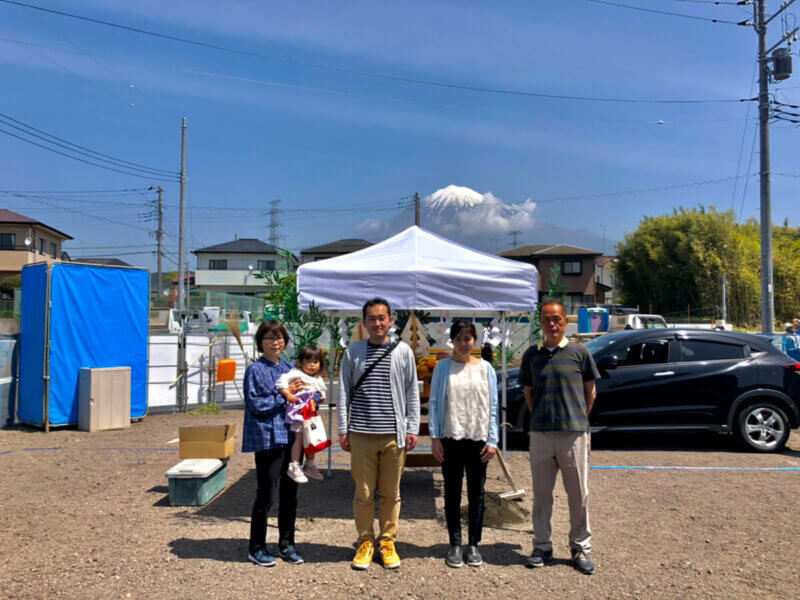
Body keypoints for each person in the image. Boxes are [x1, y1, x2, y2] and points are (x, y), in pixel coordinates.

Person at [338, 297, 420, 570]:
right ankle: (365, 541)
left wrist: (412, 427)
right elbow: (343, 391)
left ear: (391, 321)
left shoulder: (403, 351)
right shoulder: (353, 352)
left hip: (393, 435)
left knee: (391, 492)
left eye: (381, 318)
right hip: (361, 433)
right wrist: (343, 429)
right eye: (371, 319)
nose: (377, 323)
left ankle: (387, 541)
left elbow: (412, 391)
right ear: (363, 323)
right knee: (363, 493)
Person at [521, 298, 600, 575]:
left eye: (556, 319)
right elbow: (529, 393)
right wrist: (541, 417)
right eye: (546, 319)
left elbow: (591, 392)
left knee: (578, 494)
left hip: (573, 434)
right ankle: (542, 546)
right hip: (541, 434)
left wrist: (577, 419)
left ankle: (580, 548)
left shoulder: (580, 352)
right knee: (542, 495)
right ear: (540, 323)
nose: (551, 324)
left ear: (565, 321)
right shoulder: (532, 355)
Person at [429, 320, 499, 569]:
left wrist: (493, 440)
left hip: (478, 438)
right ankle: (455, 543)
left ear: (474, 340)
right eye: (458, 339)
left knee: (477, 494)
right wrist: (435, 438)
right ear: (452, 341)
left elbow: (493, 406)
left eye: (467, 338)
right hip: (451, 437)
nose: (463, 344)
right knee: (452, 492)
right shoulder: (442, 368)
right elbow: (434, 403)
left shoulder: (486, 369)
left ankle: (474, 544)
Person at [242, 320, 305, 567]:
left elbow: (302, 397)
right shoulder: (255, 370)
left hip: (292, 440)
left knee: (290, 495)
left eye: (279, 338)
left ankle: (287, 544)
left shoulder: (290, 368)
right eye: (269, 338)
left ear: (285, 342)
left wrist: (310, 397)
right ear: (260, 342)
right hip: (268, 440)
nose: (275, 342)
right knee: (266, 495)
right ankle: (256, 547)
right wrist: (284, 395)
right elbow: (256, 404)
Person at [276, 345, 327, 483]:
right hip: (297, 411)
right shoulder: (296, 373)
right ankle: (294, 465)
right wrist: (287, 393)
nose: (312, 365)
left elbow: (322, 392)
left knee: (312, 438)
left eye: (315, 362)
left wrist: (319, 398)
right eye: (308, 361)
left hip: (310, 414)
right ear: (301, 362)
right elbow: (280, 382)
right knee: (298, 439)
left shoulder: (317, 379)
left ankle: (310, 463)